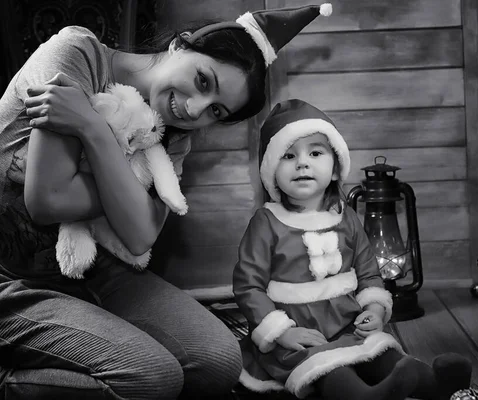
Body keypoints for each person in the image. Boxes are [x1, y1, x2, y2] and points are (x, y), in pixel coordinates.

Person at [0, 4, 332, 400]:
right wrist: (127, 194)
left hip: (92, 271)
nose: (194, 109)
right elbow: (48, 200)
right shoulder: (77, 55)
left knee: (218, 361)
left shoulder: (172, 133)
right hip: (9, 277)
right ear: (181, 44)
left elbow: (140, 236)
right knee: (151, 377)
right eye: (203, 80)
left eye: (215, 110)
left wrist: (92, 128)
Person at [233, 99, 474, 400]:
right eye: (288, 155)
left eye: (315, 153)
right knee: (331, 370)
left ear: (335, 168)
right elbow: (248, 286)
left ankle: (437, 383)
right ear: (271, 171)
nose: (302, 163)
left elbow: (369, 272)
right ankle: (367, 396)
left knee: (380, 355)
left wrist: (374, 309)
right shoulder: (267, 221)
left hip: (347, 323)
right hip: (301, 336)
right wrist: (281, 332)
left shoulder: (344, 216)